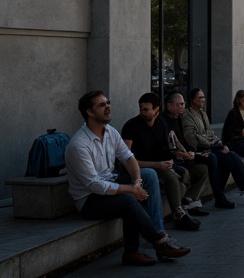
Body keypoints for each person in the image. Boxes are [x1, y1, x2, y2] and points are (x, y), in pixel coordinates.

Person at [64, 90, 190, 266]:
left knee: (148, 175)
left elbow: (128, 157)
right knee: (128, 200)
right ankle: (159, 241)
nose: (108, 106)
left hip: (111, 182)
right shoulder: (79, 145)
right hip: (89, 199)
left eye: (108, 102)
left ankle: (152, 235)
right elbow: (94, 185)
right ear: (89, 112)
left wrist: (137, 181)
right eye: (101, 105)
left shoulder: (110, 132)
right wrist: (131, 189)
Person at [121, 92, 200, 231]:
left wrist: (173, 157)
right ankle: (179, 214)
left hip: (159, 164)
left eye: (146, 109)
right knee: (171, 177)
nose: (142, 112)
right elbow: (126, 159)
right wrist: (158, 165)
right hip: (140, 167)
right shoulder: (131, 126)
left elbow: (165, 148)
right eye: (141, 108)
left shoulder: (160, 124)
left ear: (156, 111)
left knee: (184, 174)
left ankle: (179, 210)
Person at [182, 88, 244, 204]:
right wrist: (214, 145)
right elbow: (192, 138)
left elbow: (209, 133)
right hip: (200, 149)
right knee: (228, 157)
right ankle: (241, 194)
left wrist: (218, 143)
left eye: (203, 97)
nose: (203, 100)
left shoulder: (203, 114)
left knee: (232, 156)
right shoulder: (187, 116)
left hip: (211, 147)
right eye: (200, 98)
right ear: (192, 100)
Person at [162, 91, 227, 210]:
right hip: (173, 159)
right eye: (179, 104)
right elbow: (171, 145)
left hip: (186, 154)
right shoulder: (163, 122)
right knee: (209, 160)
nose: (182, 107)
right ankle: (213, 198)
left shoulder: (179, 119)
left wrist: (193, 152)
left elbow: (181, 141)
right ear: (169, 105)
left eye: (183, 104)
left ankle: (191, 198)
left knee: (211, 163)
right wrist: (186, 153)